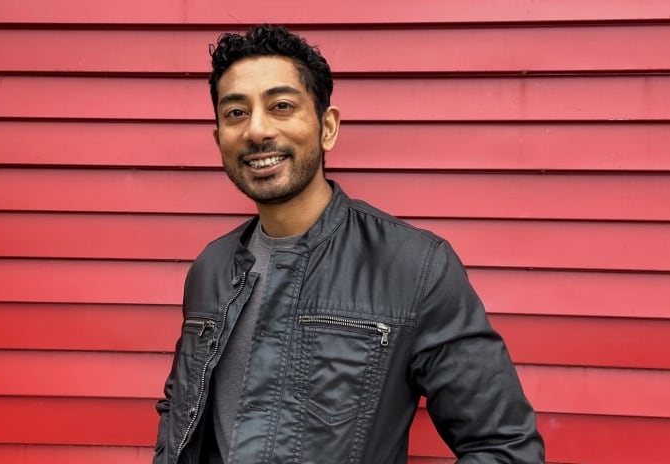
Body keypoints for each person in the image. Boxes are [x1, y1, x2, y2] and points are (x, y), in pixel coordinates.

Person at [152, 24, 545, 464]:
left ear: (328, 127)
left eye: (281, 106)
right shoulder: (211, 267)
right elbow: (180, 409)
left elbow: (505, 448)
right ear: (219, 139)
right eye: (235, 113)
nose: (256, 130)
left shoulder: (414, 268)